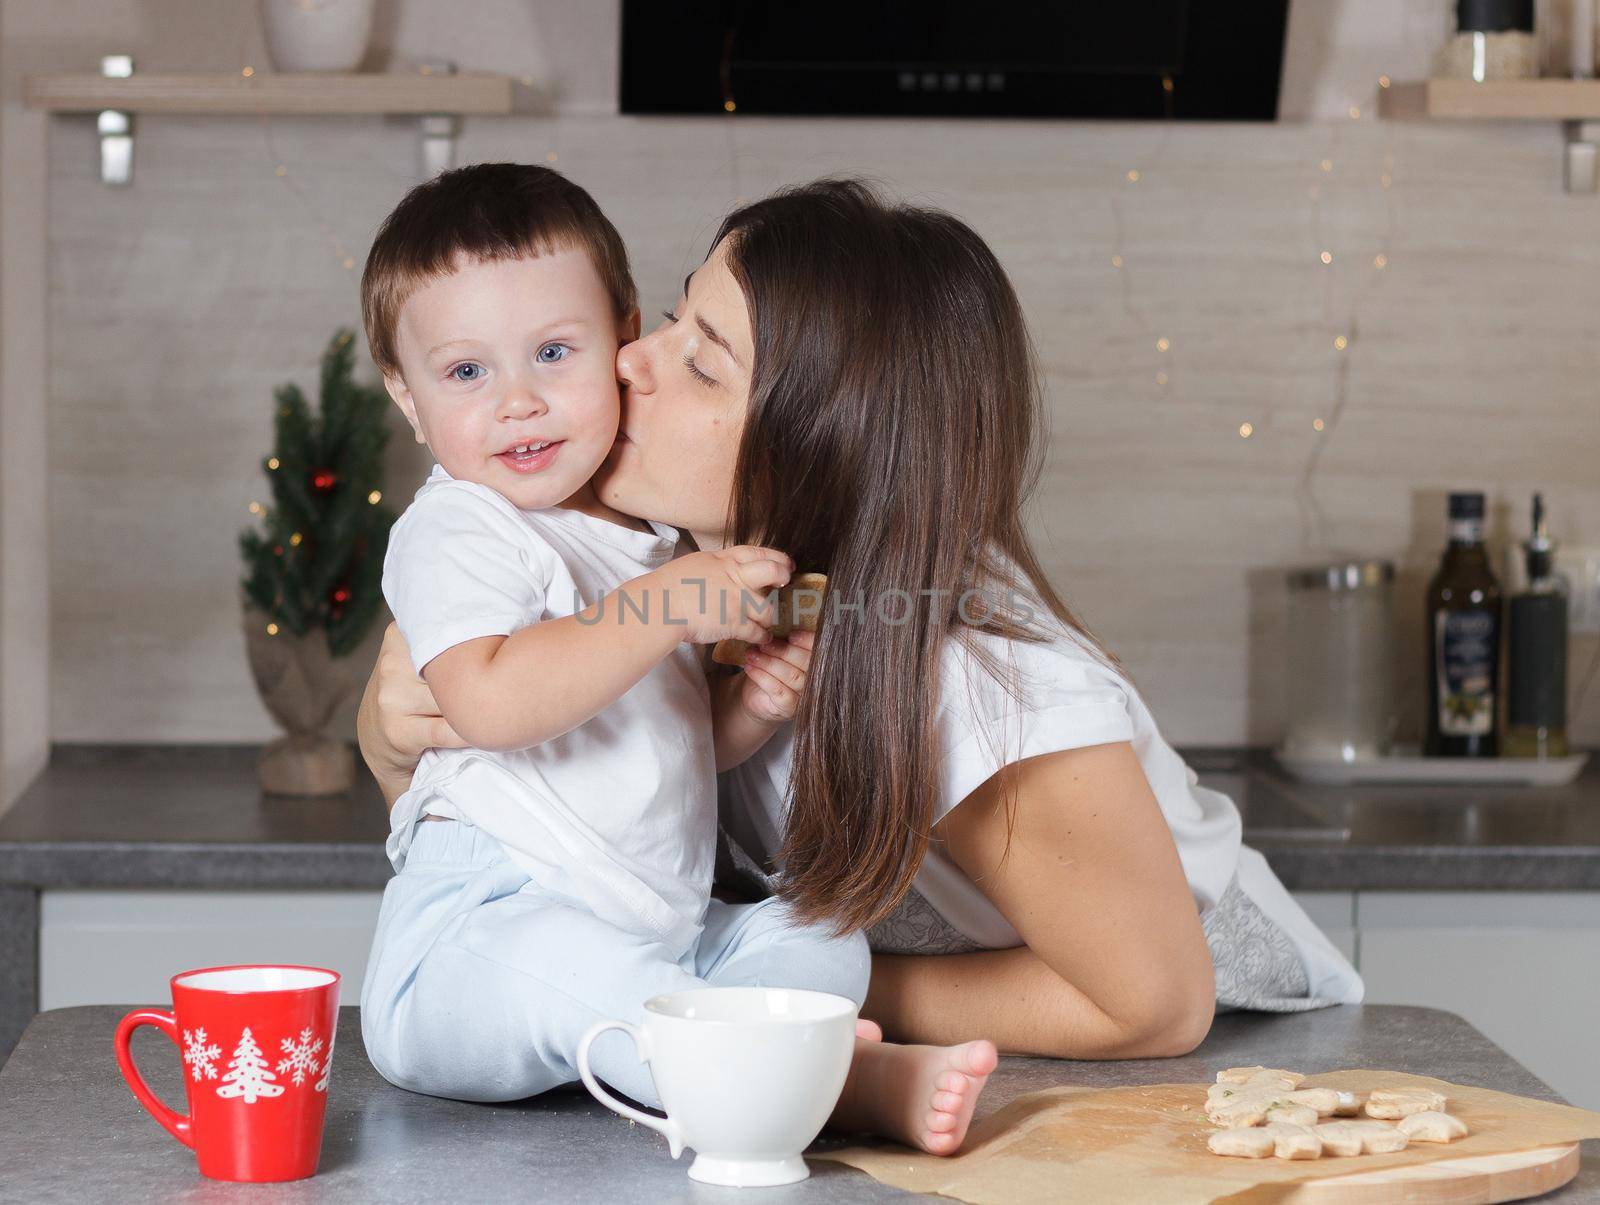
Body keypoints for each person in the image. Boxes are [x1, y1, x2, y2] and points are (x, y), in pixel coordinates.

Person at [359, 176, 1363, 1077]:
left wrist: (762, 992)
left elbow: (1149, 1000)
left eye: (701, 364)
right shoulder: (661, 572)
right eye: (668, 317)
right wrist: (392, 735)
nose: (628, 359)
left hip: (1219, 1049)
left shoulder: (971, 679)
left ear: (821, 447)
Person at [356, 164, 998, 1154]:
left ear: (617, 341)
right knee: (566, 962)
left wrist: (747, 707)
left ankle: (786, 1066)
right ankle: (820, 1081)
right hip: (476, 933)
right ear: (406, 397)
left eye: (554, 352)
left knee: (813, 933)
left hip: (654, 935)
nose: (519, 402)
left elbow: (659, 747)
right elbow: (487, 703)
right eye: (467, 373)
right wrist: (660, 605)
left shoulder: (647, 533)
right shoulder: (461, 529)